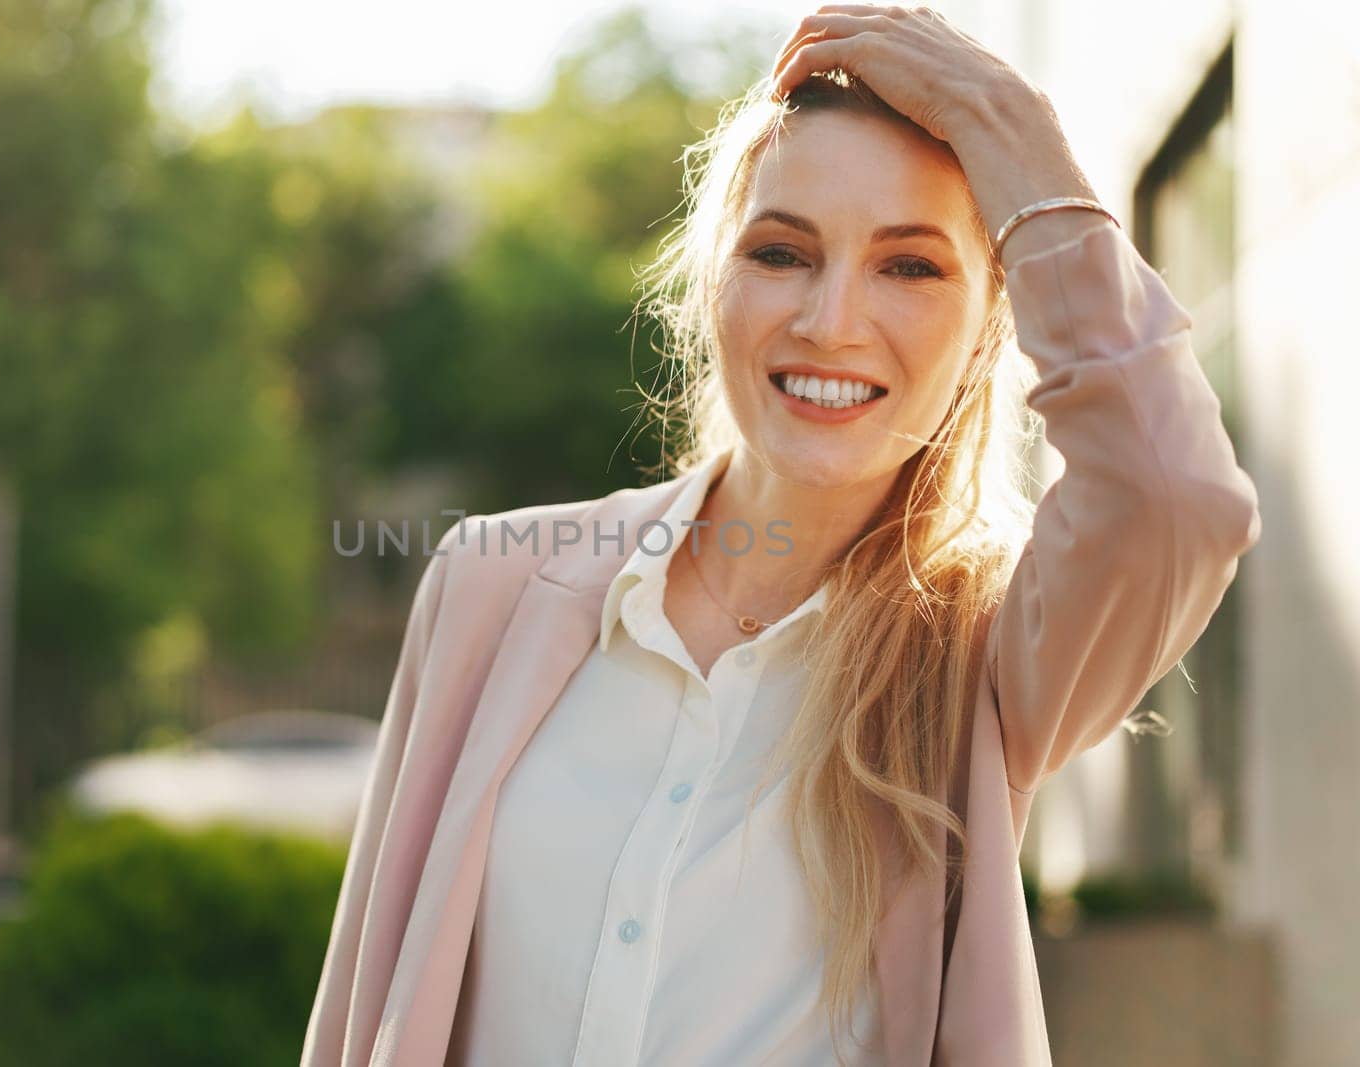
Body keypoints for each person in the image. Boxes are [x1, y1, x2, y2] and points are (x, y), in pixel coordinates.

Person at [302, 5, 1261, 1065]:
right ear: (712, 282)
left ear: (993, 327)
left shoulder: (982, 653)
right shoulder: (493, 581)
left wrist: (1010, 126)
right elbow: (367, 989)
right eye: (781, 252)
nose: (830, 321)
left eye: (909, 267)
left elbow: (1177, 497)